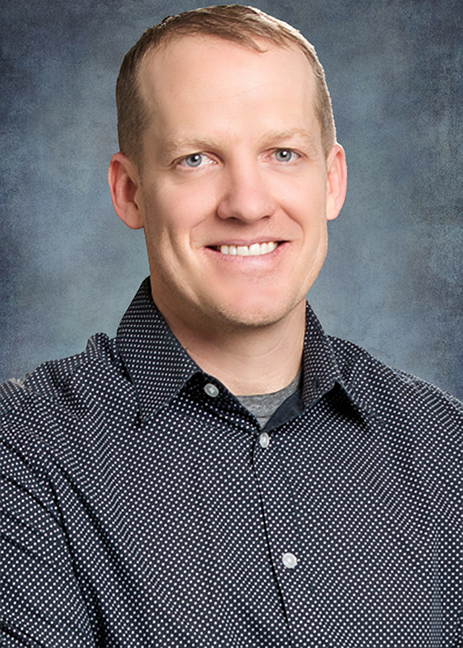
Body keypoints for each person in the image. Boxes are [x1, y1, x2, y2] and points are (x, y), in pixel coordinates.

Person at [1, 5, 461, 646]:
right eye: (196, 159)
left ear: (330, 182)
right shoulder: (24, 451)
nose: (247, 203)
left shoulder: (444, 450)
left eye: (282, 153)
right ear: (130, 192)